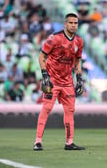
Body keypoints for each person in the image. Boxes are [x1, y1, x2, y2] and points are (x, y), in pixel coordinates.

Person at [33, 13, 85, 151]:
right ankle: (37, 141)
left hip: (67, 82)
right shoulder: (55, 38)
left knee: (70, 110)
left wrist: (79, 78)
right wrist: (45, 75)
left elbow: (78, 60)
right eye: (71, 23)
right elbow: (41, 56)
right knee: (47, 108)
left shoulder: (79, 41)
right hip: (52, 80)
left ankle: (69, 142)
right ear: (65, 24)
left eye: (76, 23)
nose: (74, 25)